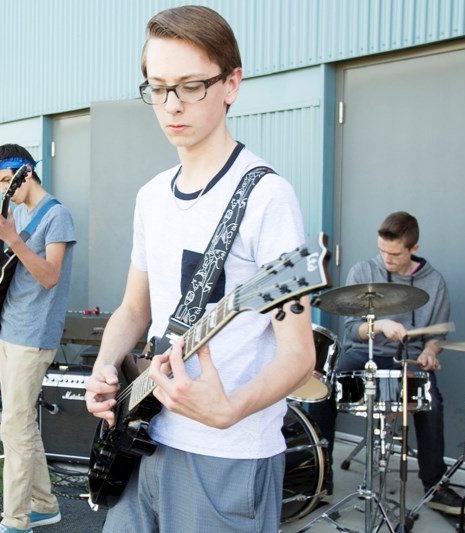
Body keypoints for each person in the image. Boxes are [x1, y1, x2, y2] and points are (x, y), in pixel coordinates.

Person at [83, 6, 315, 532]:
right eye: (158, 87)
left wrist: (230, 408)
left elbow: (299, 353)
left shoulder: (266, 196)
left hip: (228, 454)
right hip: (141, 439)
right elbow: (134, 309)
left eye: (191, 86)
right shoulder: (151, 196)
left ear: (232, 83)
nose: (171, 105)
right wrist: (105, 365)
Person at [308, 211, 463, 515]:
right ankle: (320, 476)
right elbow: (352, 329)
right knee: (322, 391)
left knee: (431, 399)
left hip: (409, 358)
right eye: (382, 250)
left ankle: (434, 483)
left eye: (394, 254)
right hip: (363, 353)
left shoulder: (434, 283)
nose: (386, 259)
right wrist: (379, 326)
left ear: (413, 249)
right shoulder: (364, 271)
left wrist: (431, 352)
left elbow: (436, 336)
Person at [0, 145, 76, 533]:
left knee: (14, 428)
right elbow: (17, 271)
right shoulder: (20, 213)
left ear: (25, 172)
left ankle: (15, 520)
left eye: (7, 181)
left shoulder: (58, 216)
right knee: (20, 425)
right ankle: (44, 505)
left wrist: (14, 240)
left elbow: (50, 275)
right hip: (13, 327)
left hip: (34, 333)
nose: (6, 191)